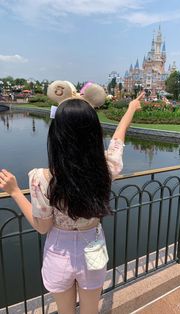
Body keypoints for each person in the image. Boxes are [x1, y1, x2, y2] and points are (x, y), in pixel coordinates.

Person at [0, 91, 144, 314]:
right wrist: (131, 108)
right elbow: (118, 141)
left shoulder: (42, 178)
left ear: (57, 136)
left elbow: (42, 226)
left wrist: (15, 192)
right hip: (93, 250)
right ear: (94, 133)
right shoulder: (106, 169)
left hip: (59, 252)